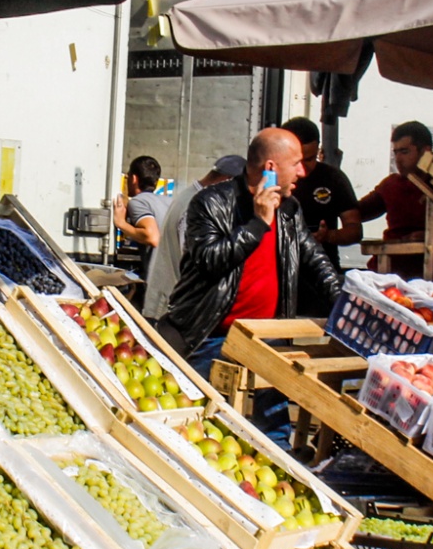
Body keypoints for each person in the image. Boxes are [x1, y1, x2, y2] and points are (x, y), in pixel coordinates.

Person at [159, 128, 341, 380]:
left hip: (268, 338)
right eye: (297, 163)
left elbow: (314, 259)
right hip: (209, 337)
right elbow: (209, 261)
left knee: (274, 419)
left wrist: (344, 304)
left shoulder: (289, 208)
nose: (303, 171)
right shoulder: (211, 202)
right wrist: (258, 224)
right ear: (271, 167)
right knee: (200, 414)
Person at [325, 121, 433, 277]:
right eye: (395, 152)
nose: (398, 159)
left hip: (429, 273)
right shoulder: (391, 184)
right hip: (386, 271)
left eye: (404, 152)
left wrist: (430, 234)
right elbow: (357, 212)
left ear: (426, 151)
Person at [142, 156, 243, 320]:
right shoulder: (198, 205)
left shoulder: (189, 195)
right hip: (172, 310)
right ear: (227, 181)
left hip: (167, 305)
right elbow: (195, 263)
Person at [280, 117, 356, 268]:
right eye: (296, 161)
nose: (302, 169)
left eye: (309, 159)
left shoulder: (333, 178)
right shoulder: (271, 177)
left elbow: (354, 230)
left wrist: (328, 236)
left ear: (318, 150)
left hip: (321, 269)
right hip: (279, 268)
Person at [112, 155, 169, 248]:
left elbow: (152, 237)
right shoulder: (168, 201)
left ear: (134, 179)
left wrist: (121, 223)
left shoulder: (138, 201)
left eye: (128, 176)